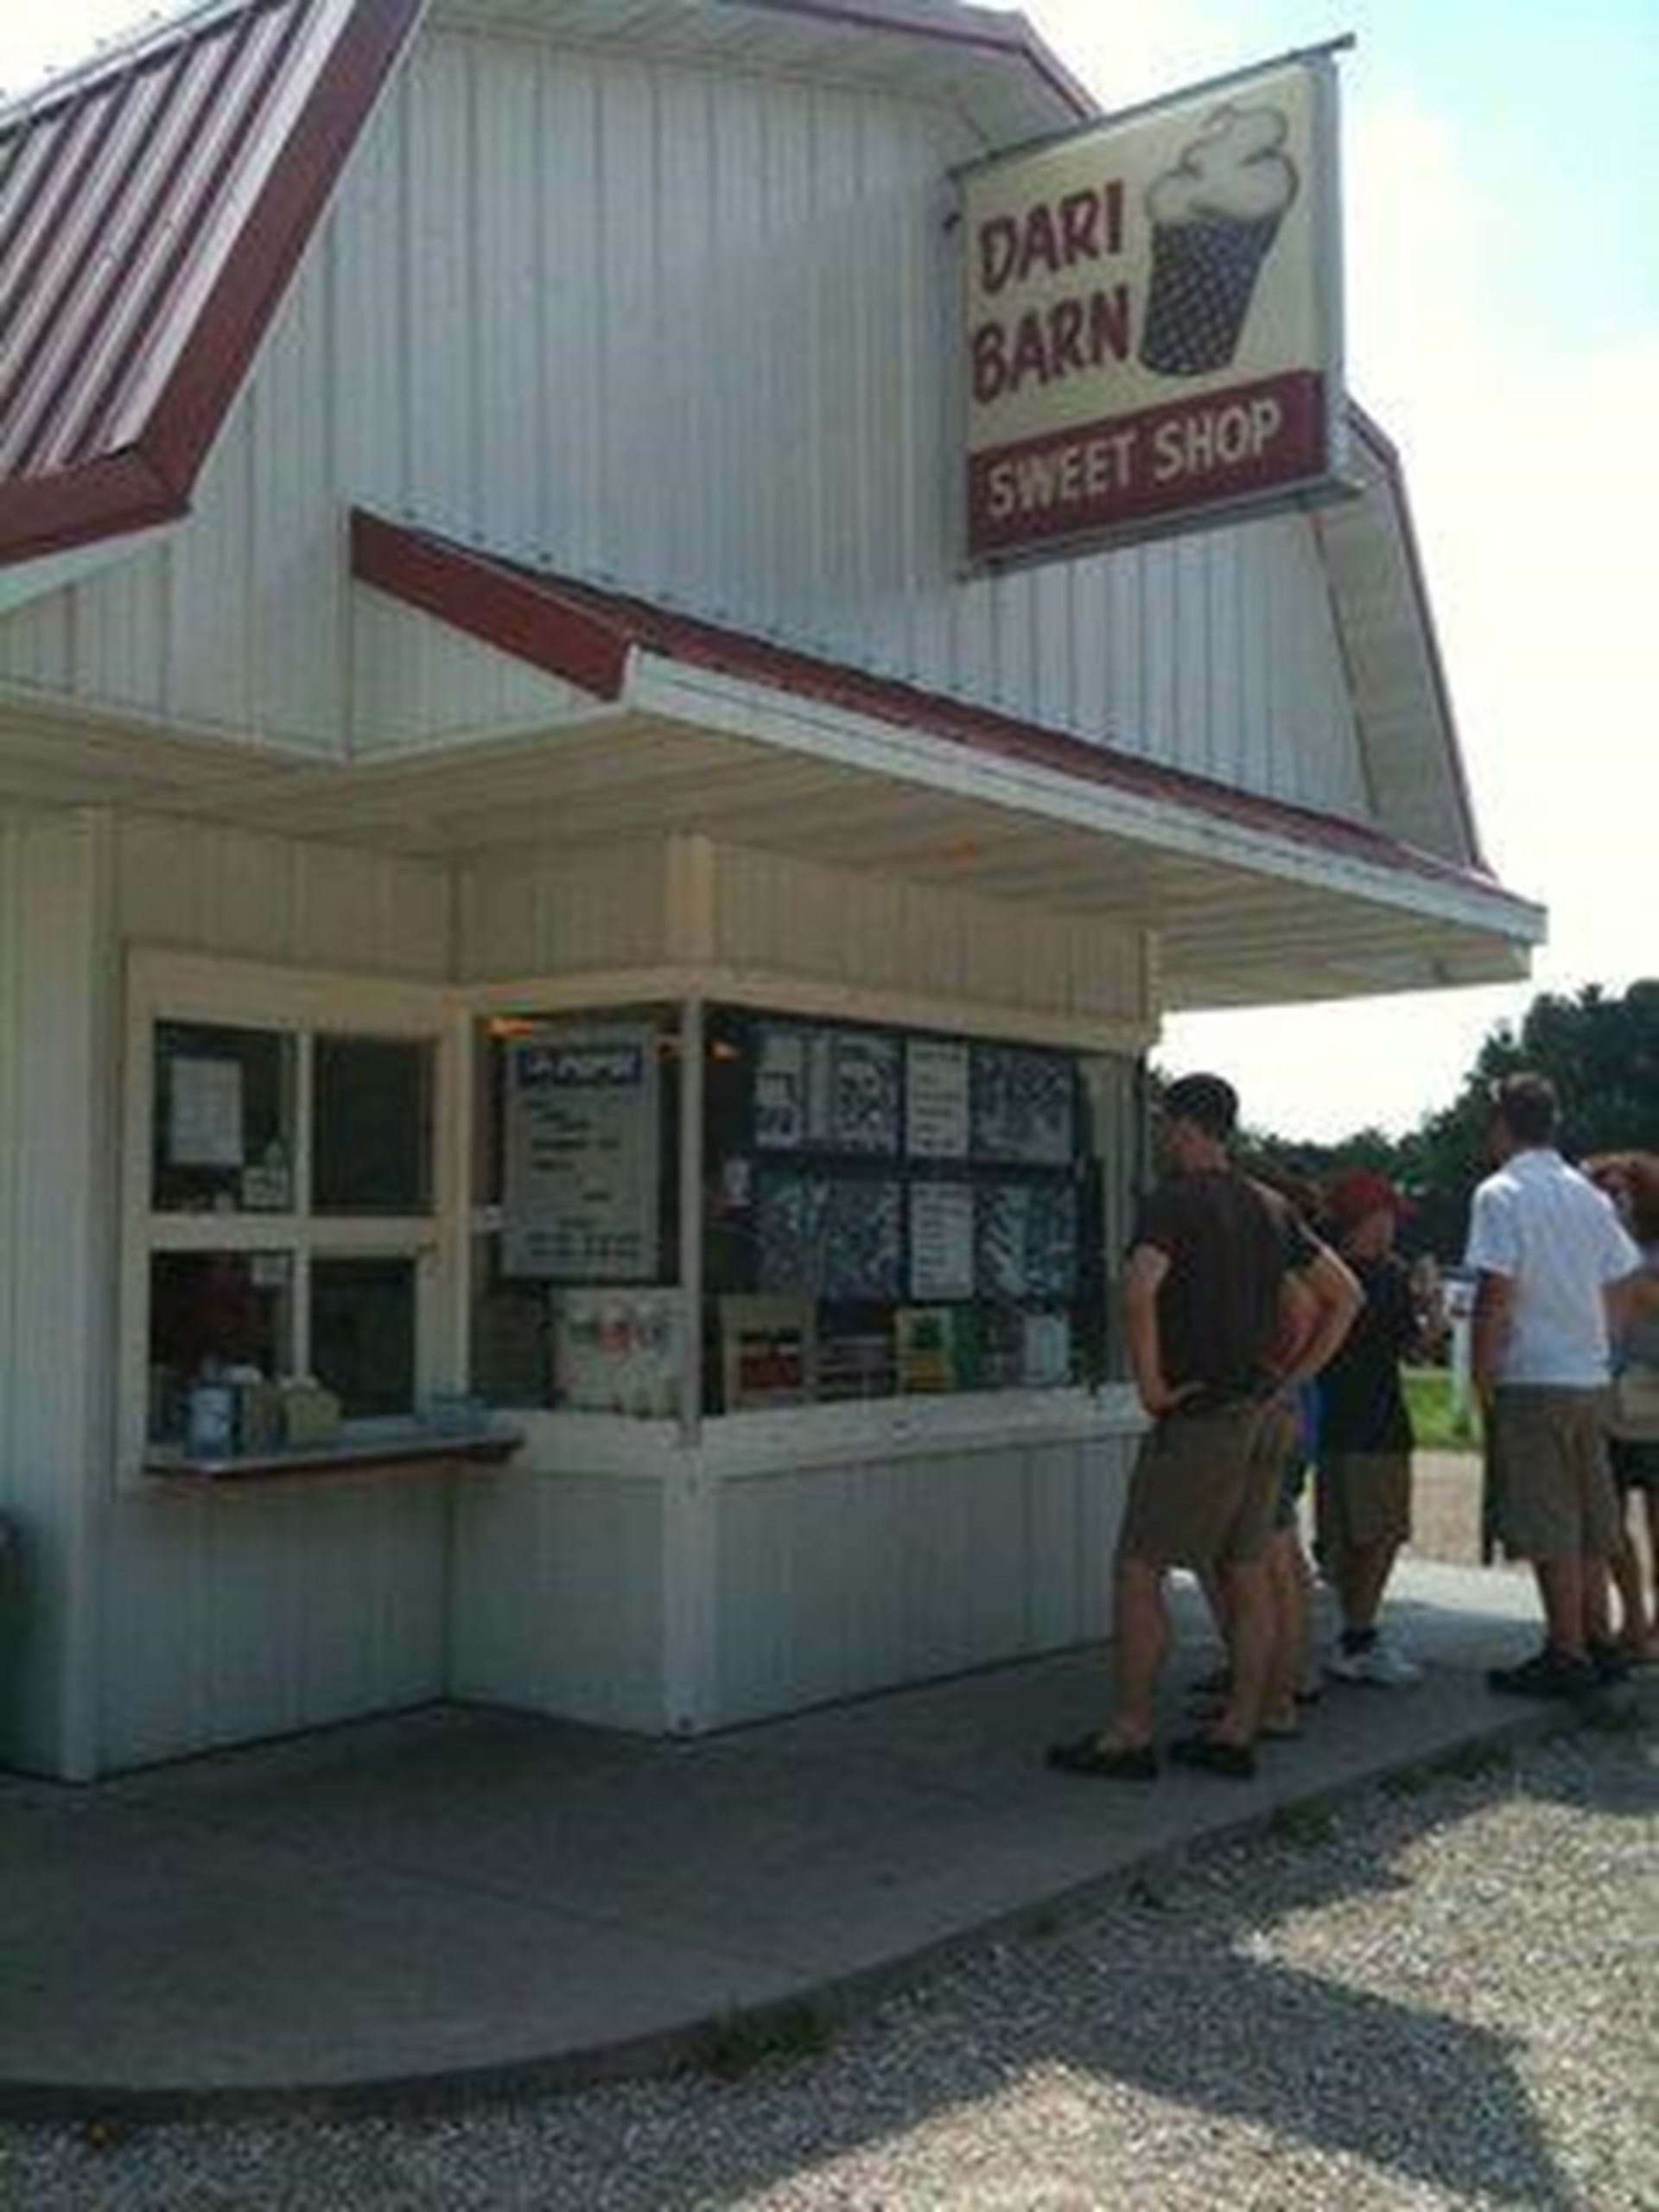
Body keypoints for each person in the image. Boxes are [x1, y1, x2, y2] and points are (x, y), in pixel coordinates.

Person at [1048, 1074, 1360, 1782]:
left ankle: (1129, 1731)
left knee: (1139, 1568)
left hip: (1201, 1416)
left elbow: (1137, 1290)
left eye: (1166, 1122)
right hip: (1264, 1411)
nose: (1161, 1134)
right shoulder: (1271, 1205)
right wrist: (1295, 1376)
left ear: (1186, 1125)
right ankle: (1238, 1729)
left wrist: (1152, 1385)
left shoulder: (1175, 1203)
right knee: (1247, 1569)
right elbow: (1346, 1294)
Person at [1465, 1074, 1644, 1696]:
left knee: (1547, 1520)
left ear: (1502, 1124)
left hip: (1533, 1375)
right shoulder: (1586, 1194)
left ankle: (1564, 1649)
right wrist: (1604, 1342)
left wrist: (1483, 1374)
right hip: (1588, 1376)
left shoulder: (1500, 1193)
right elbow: (1624, 1276)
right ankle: (1598, 1637)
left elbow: (1495, 1293)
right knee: (1594, 1517)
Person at [1315, 1168, 1423, 1687]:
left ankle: (1351, 1633)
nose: (1391, 1230)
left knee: (1340, 1538)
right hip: (1379, 1423)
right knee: (1380, 1534)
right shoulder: (1388, 1278)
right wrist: (1432, 1313)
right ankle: (1358, 1639)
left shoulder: (1318, 1271)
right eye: (1385, 1218)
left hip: (1331, 1421)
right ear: (1362, 1220)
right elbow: (1413, 1345)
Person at [1584, 1152, 1659, 1660]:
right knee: (1606, 1518)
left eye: (1619, 1190)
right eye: (1603, 1191)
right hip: (1604, 1395)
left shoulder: (1644, 1256)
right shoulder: (1595, 1253)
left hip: (1652, 1393)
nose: (1611, 1200)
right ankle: (1631, 1617)